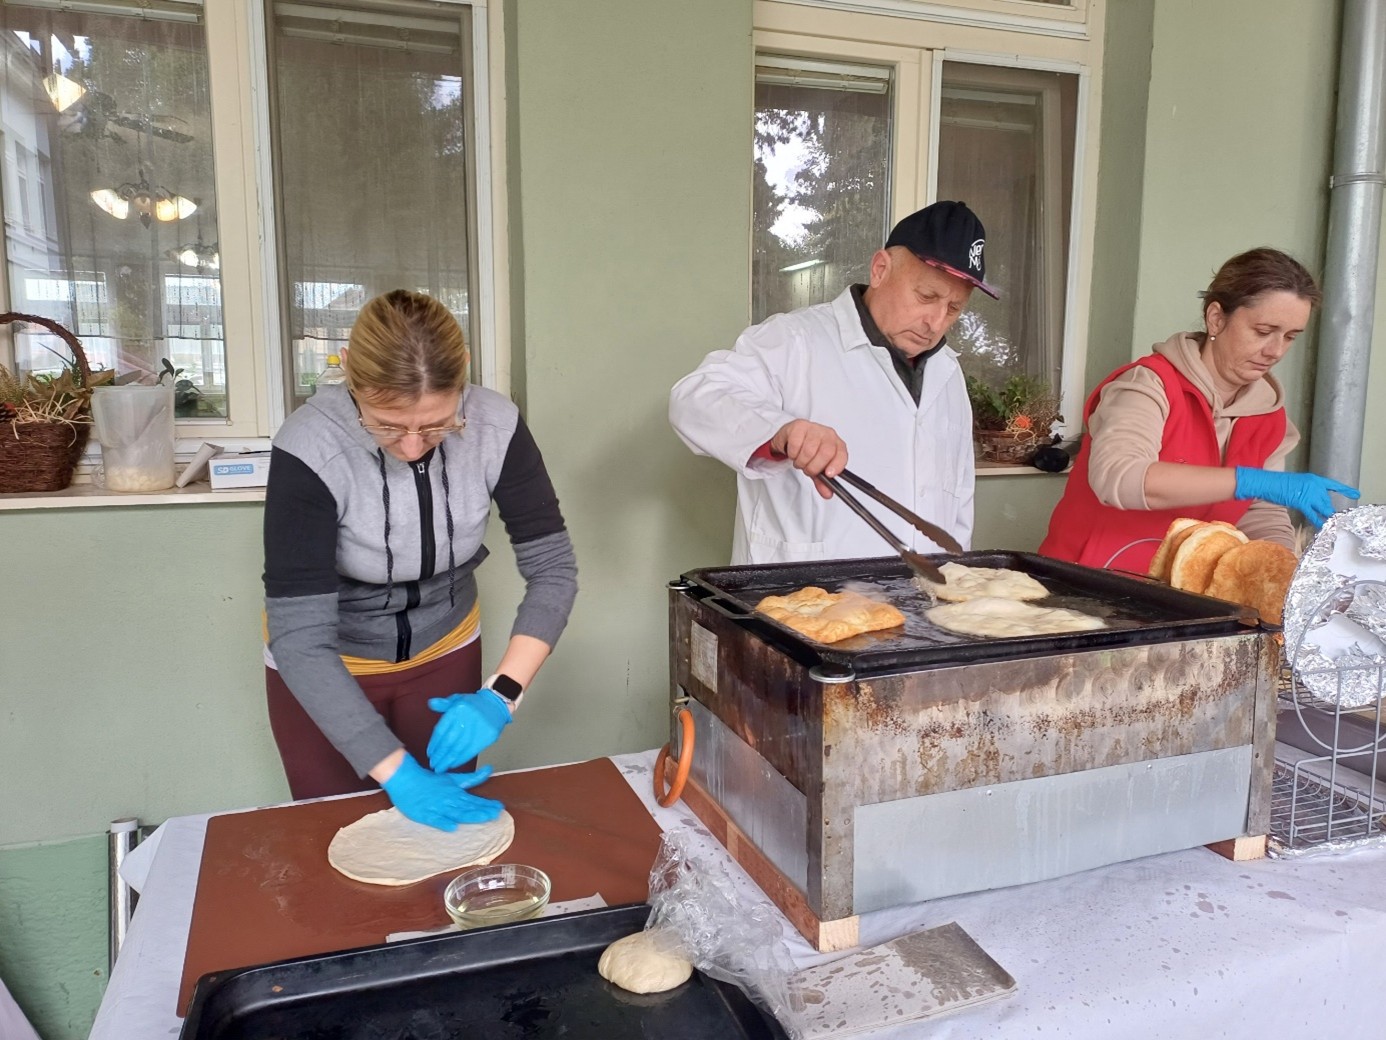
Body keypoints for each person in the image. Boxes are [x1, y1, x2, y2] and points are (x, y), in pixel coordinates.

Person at [262, 290, 578, 830]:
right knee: (335, 838)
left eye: (436, 426)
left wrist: (501, 694)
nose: (412, 446)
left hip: (446, 649)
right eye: (387, 426)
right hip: (330, 666)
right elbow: (300, 638)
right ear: (354, 388)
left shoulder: (495, 425)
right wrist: (397, 774)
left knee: (443, 842)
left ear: (463, 386)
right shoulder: (309, 446)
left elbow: (553, 569)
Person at [668, 201, 996, 564]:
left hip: (918, 608)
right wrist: (780, 431)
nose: (935, 322)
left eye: (953, 308)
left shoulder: (947, 375)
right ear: (880, 269)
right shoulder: (795, 340)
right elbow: (694, 397)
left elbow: (959, 502)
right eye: (927, 296)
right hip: (799, 601)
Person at [1039, 247, 1359, 572]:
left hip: (1183, 593)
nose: (1275, 351)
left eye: (1290, 337)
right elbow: (1120, 479)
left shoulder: (1269, 415)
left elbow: (1261, 511)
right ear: (1216, 318)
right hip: (1087, 583)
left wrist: (1279, 572)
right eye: (1263, 332)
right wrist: (1247, 481)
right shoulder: (1148, 385)